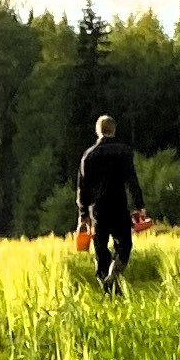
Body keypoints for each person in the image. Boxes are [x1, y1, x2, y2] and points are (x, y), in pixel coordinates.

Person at [75, 114, 141, 293]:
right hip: (119, 206)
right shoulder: (124, 152)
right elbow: (131, 181)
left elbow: (82, 187)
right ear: (114, 130)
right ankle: (114, 274)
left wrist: (83, 215)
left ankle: (107, 286)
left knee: (101, 249)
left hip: (97, 210)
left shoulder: (88, 155)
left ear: (98, 131)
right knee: (124, 246)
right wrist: (139, 205)